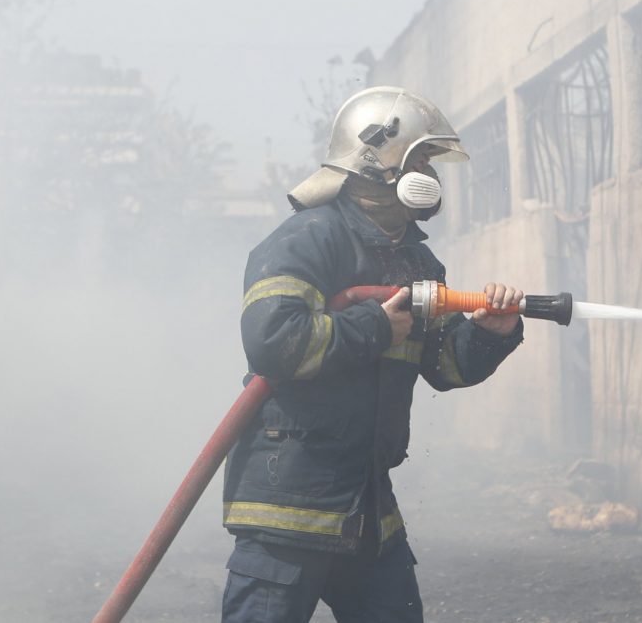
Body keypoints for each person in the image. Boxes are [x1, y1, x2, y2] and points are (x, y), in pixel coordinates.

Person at [222, 86, 524, 623]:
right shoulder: (307, 239)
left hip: (366, 510)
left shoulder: (417, 262)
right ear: (377, 160)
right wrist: (374, 327)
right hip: (288, 510)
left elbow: (445, 366)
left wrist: (490, 333)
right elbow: (273, 341)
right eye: (422, 159)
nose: (430, 172)